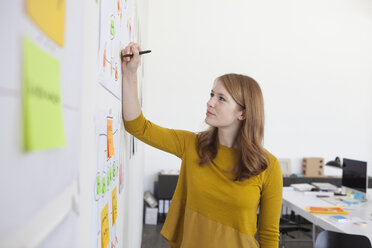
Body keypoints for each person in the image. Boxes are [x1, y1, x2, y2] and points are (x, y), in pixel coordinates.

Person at [121, 43, 283, 248]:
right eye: (211, 95)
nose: (210, 102)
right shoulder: (191, 145)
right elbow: (138, 127)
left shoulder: (268, 166)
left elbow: (269, 235)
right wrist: (130, 74)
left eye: (221, 98)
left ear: (243, 113)